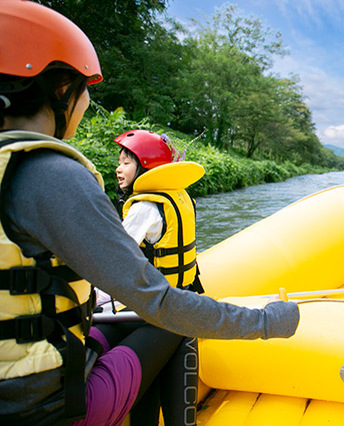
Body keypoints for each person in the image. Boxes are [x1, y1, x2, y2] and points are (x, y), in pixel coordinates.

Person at [0, 2, 299, 425]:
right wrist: (266, 321)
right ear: (63, 88)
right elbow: (160, 303)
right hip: (42, 410)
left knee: (122, 327)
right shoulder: (52, 175)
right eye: (86, 90)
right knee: (173, 323)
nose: (86, 103)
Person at [93, 129, 207, 425]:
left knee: (146, 394)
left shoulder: (144, 207)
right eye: (119, 161)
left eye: (126, 162)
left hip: (150, 309)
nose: (118, 168)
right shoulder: (179, 196)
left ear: (145, 166)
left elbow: (113, 257)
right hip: (179, 299)